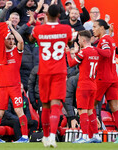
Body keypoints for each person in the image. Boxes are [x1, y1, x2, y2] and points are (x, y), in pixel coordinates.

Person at [30, 4, 72, 147]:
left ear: (46, 15)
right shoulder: (66, 29)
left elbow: (31, 38)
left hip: (44, 71)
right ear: (59, 15)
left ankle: (46, 136)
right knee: (56, 105)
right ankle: (53, 136)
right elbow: (70, 40)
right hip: (59, 71)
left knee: (45, 106)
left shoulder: (39, 29)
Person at [92, 19, 118, 143]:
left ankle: (92, 135)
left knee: (90, 106)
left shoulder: (104, 40)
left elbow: (106, 53)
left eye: (95, 27)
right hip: (113, 78)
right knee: (115, 108)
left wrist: (93, 49)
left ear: (102, 28)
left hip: (103, 78)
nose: (93, 29)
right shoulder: (110, 39)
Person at [66, 30, 101, 143]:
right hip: (93, 84)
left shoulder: (84, 52)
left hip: (84, 85)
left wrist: (68, 52)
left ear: (83, 39)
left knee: (82, 111)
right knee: (90, 111)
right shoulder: (95, 51)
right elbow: (85, 63)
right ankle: (96, 135)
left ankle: (85, 137)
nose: (78, 41)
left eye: (79, 39)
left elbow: (71, 64)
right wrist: (77, 52)